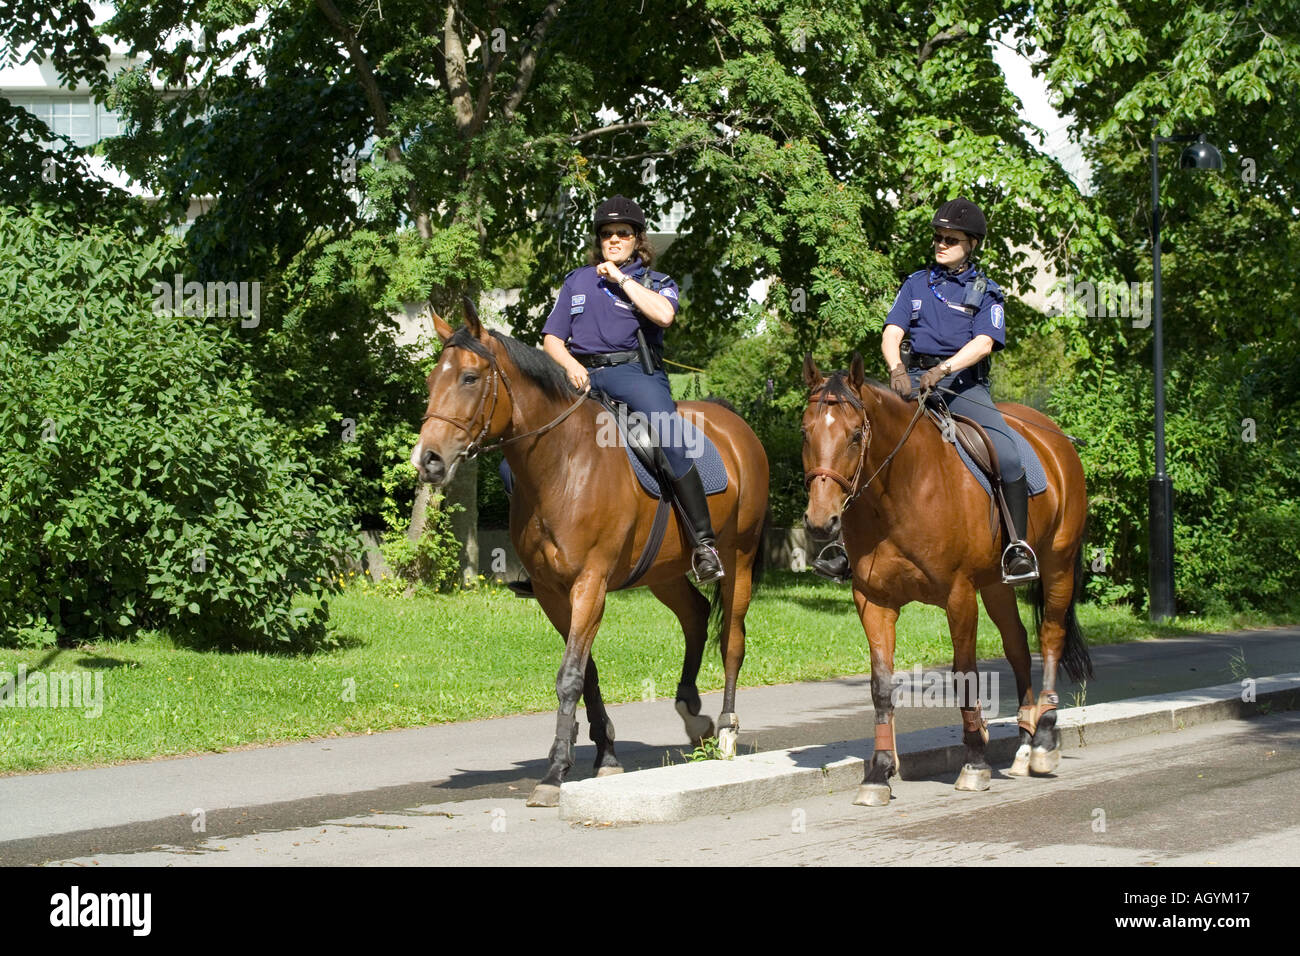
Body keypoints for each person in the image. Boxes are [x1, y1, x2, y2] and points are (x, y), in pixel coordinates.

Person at [812, 197, 1039, 585]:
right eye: (938, 237)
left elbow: (983, 343)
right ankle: (843, 549)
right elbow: (892, 332)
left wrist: (943, 368)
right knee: (864, 441)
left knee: (1008, 455)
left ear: (972, 244)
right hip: (913, 380)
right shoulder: (916, 283)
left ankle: (1016, 548)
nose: (941, 244)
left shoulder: (987, 291)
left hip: (964, 386)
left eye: (951, 239)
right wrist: (897, 368)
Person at [505, 195, 723, 595]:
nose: (614, 239)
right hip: (581, 375)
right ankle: (540, 559)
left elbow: (664, 316)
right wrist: (570, 366)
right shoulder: (578, 280)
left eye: (623, 233)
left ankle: (704, 545)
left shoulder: (658, 284)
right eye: (607, 234)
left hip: (635, 373)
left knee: (671, 438)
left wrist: (621, 280)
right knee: (516, 455)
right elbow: (552, 338)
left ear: (637, 239)